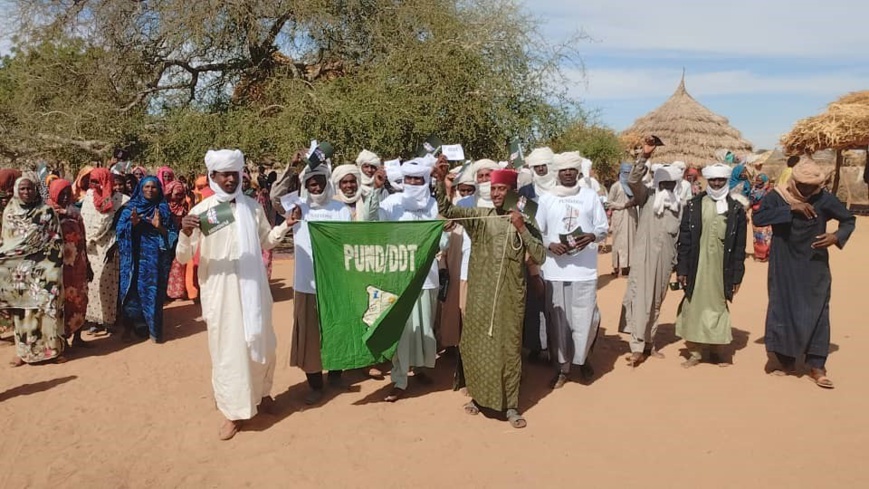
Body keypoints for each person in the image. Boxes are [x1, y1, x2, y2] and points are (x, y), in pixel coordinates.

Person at [177, 149, 293, 440]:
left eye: (234, 173)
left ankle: (263, 395)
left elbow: (265, 240)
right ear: (213, 176)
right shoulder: (202, 211)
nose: (230, 179)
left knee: (262, 342)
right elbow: (183, 257)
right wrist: (186, 233)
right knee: (229, 352)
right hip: (221, 294)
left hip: (254, 289)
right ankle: (233, 412)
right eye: (224, 174)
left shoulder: (252, 207)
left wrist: (285, 227)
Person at [433, 163, 546, 429]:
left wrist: (522, 228)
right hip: (480, 295)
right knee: (476, 345)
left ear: (512, 191)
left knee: (507, 350)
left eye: (501, 189)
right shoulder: (481, 216)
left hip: (510, 297)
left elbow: (540, 255)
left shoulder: (527, 216)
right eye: (493, 189)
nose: (496, 194)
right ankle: (479, 398)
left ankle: (511, 407)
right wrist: (441, 184)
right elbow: (447, 211)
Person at [753, 159, 855, 389]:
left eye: (812, 186)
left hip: (814, 262)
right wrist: (789, 208)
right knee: (783, 306)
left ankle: (817, 365)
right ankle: (785, 360)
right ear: (794, 181)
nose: (808, 190)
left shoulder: (823, 199)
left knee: (817, 309)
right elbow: (759, 218)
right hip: (784, 262)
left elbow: (848, 220)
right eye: (803, 186)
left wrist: (836, 237)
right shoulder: (778, 196)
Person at [369, 159, 444, 402]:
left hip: (428, 277)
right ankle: (399, 380)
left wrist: (440, 244)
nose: (413, 183)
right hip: (399, 278)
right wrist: (376, 189)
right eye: (409, 179)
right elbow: (372, 223)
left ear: (425, 181)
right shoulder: (391, 203)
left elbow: (443, 237)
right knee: (402, 331)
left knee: (424, 329)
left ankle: (420, 368)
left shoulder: (433, 205)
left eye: (418, 179)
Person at [535, 151, 609, 388]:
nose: (568, 173)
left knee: (586, 319)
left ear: (578, 172)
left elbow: (602, 228)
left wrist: (591, 236)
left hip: (584, 270)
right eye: (564, 170)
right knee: (558, 322)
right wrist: (550, 244)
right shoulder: (547, 199)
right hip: (555, 270)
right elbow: (537, 231)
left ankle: (582, 358)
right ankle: (562, 368)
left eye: (572, 170)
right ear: (557, 172)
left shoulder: (590, 197)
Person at [286, 165, 353, 405]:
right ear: (305, 186)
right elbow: (275, 196)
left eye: (320, 183)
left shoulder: (340, 210)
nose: (316, 188)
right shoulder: (297, 209)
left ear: (327, 183)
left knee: (336, 329)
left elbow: (345, 242)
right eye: (311, 184)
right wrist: (290, 168)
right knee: (310, 336)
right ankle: (315, 384)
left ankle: (336, 375)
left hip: (334, 282)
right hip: (306, 283)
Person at [675, 163, 747, 367]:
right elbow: (685, 239)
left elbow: (740, 245)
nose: (716, 184)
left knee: (718, 306)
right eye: (713, 180)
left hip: (720, 268)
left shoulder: (736, 208)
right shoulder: (694, 204)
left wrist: (737, 275)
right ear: (707, 180)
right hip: (696, 266)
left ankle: (716, 351)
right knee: (695, 307)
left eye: (720, 180)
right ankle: (695, 353)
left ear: (726, 181)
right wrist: (682, 269)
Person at [618, 139, 682, 366]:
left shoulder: (678, 206)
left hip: (665, 261)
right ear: (657, 184)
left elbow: (678, 237)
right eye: (664, 185)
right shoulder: (647, 197)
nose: (668, 188)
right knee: (641, 299)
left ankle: (649, 343)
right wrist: (644, 157)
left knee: (656, 302)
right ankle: (636, 346)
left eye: (671, 185)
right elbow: (633, 180)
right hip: (644, 258)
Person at [0, 174, 66, 366]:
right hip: (19, 272)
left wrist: (53, 269)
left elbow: (56, 241)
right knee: (23, 312)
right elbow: (8, 244)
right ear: (16, 191)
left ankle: (53, 350)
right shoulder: (10, 212)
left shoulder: (46, 212)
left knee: (47, 309)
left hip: (45, 269)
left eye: (29, 188)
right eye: (22, 189)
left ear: (36, 189)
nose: (26, 192)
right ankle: (24, 352)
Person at [116, 177, 178, 343]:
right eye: (147, 187)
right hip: (133, 259)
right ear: (141, 189)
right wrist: (132, 225)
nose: (150, 190)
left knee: (152, 292)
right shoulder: (130, 208)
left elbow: (173, 235)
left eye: (154, 187)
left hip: (154, 259)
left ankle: (152, 328)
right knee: (131, 290)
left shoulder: (163, 209)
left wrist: (160, 227)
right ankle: (131, 326)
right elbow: (119, 233)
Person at [81, 168, 129, 334]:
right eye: (92, 181)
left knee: (107, 283)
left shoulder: (121, 200)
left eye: (97, 181)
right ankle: (93, 320)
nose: (94, 185)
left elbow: (121, 225)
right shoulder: (88, 197)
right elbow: (84, 219)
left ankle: (109, 319)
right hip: (89, 246)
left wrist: (115, 244)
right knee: (91, 284)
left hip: (108, 246)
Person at [46, 179, 91, 348]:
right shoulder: (47, 213)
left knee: (79, 300)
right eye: (60, 193)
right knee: (60, 303)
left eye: (67, 193)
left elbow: (83, 239)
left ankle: (78, 337)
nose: (65, 197)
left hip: (77, 266)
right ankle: (62, 341)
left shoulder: (75, 213)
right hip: (57, 267)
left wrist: (88, 264)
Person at [608, 162, 638, 277]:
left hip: (631, 216)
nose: (627, 175)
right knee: (619, 242)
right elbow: (608, 202)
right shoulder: (616, 186)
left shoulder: (633, 186)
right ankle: (618, 267)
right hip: (620, 216)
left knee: (631, 241)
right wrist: (623, 205)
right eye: (625, 173)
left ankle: (628, 267)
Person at [165, 180, 192, 300]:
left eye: (181, 194)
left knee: (178, 265)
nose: (179, 197)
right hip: (165, 238)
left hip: (180, 238)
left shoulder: (185, 206)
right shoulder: (164, 206)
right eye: (176, 194)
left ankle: (177, 293)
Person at [749, 174, 773, 262]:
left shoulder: (769, 190)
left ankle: (766, 254)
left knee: (766, 236)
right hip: (756, 214)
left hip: (767, 215)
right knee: (757, 237)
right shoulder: (753, 190)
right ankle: (759, 255)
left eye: (760, 180)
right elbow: (750, 200)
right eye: (757, 180)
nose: (758, 182)